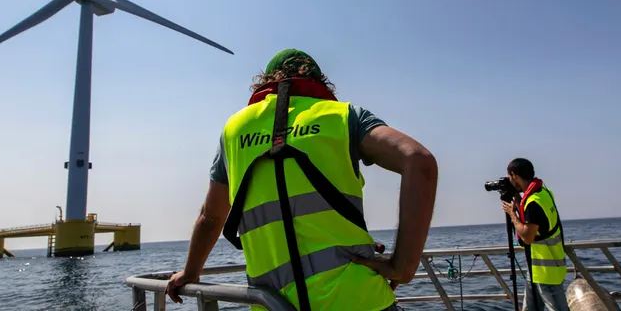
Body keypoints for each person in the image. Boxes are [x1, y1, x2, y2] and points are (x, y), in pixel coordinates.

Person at [165, 49, 439, 311]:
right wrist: (403, 265)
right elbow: (418, 160)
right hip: (360, 301)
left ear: (265, 81)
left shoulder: (233, 131)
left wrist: (190, 273)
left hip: (274, 305)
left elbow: (211, 218)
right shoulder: (344, 116)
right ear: (318, 81)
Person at [501, 157, 570, 311]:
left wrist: (512, 215)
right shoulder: (544, 193)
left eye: (510, 178)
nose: (510, 181)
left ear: (515, 175)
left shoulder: (533, 202)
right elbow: (539, 223)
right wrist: (519, 201)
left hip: (545, 271)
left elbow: (527, 236)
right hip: (542, 266)